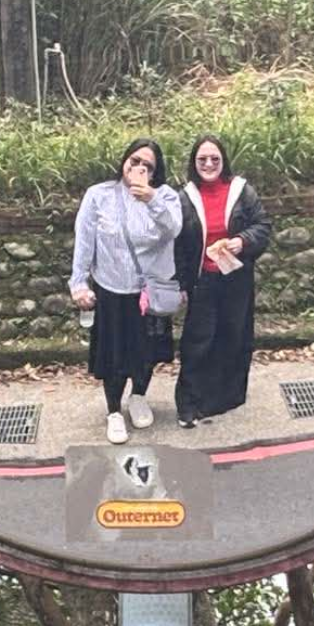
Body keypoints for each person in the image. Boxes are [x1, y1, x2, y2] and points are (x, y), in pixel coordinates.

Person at [70, 139, 184, 444]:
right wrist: (79, 283)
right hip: (112, 289)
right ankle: (113, 412)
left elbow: (174, 229)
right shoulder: (99, 195)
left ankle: (139, 396)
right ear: (124, 161)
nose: (139, 168)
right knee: (114, 356)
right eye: (135, 161)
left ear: (156, 172)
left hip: (149, 291)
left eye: (148, 166)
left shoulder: (165, 196)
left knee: (148, 352)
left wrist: (151, 199)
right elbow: (85, 240)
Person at [173, 135, 272, 428]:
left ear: (223, 161)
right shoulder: (183, 198)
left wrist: (242, 241)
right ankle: (189, 403)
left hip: (236, 279)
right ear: (194, 162)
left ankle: (226, 397)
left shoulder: (242, 191)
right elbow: (177, 244)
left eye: (214, 159)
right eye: (202, 159)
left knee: (234, 336)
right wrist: (180, 284)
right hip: (202, 280)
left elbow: (262, 226)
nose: (208, 164)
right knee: (198, 342)